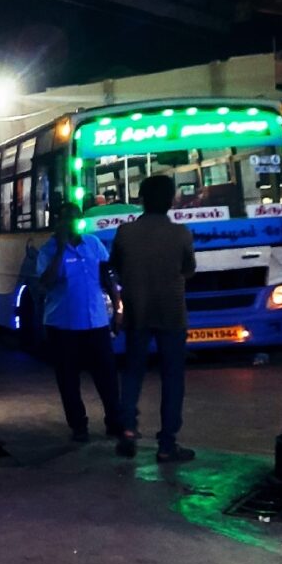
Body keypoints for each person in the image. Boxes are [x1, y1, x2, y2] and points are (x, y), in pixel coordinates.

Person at [110, 174, 197, 462]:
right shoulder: (182, 234)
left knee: (133, 372)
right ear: (171, 200)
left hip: (137, 311)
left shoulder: (125, 233)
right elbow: (189, 269)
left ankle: (128, 431)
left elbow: (115, 267)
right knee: (173, 377)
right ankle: (167, 443)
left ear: (141, 199)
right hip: (171, 313)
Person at [35, 201, 123, 443]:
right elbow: (46, 282)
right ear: (57, 222)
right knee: (68, 380)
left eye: (75, 219)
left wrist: (118, 309)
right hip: (63, 326)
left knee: (107, 377)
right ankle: (79, 426)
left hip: (96, 323)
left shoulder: (93, 244)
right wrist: (61, 249)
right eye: (65, 219)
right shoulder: (48, 250)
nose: (71, 224)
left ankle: (114, 422)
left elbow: (107, 276)